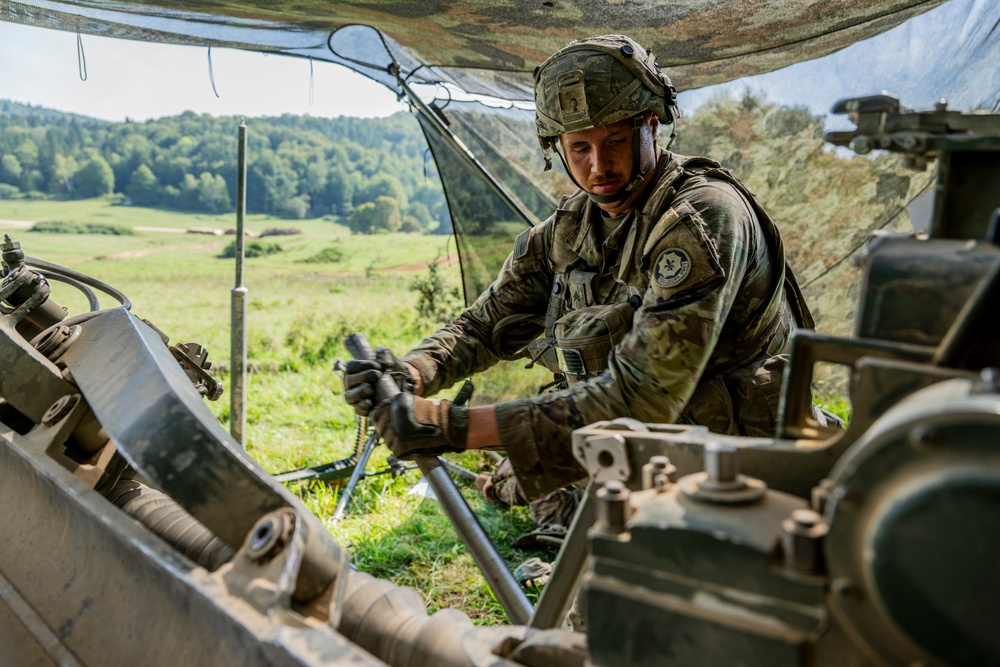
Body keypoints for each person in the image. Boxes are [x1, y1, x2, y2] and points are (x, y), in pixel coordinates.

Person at [344, 34, 830, 528]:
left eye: (615, 141)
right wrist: (411, 373)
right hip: (648, 475)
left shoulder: (702, 217)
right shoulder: (569, 230)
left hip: (750, 482)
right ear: (556, 148)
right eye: (579, 148)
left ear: (651, 126)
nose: (598, 166)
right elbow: (484, 325)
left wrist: (451, 426)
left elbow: (645, 396)